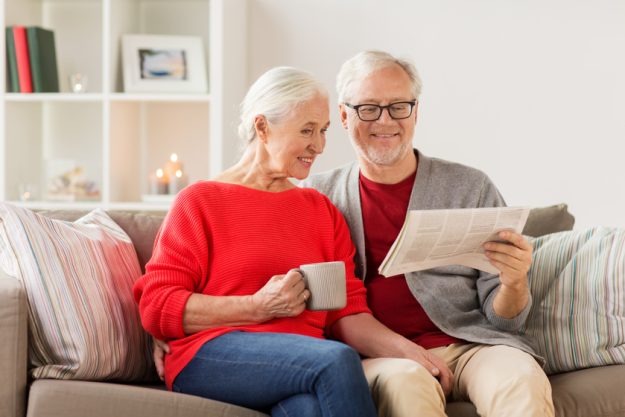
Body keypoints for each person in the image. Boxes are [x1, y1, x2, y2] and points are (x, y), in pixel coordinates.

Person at [300, 51, 555, 417]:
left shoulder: (469, 187)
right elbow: (322, 311)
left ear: (416, 112)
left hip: (471, 344)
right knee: (407, 385)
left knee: (519, 377)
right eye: (368, 108)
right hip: (380, 356)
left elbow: (504, 321)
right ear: (343, 115)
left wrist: (515, 283)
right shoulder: (317, 195)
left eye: (399, 107)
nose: (385, 121)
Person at [133, 66, 378, 417]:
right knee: (336, 359)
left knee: (308, 410)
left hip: (300, 362)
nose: (320, 145)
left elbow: (348, 311)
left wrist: (414, 354)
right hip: (213, 354)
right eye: (307, 130)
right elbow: (157, 305)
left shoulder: (320, 210)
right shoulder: (201, 201)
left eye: (323, 131)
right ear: (262, 127)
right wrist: (258, 306)